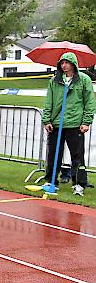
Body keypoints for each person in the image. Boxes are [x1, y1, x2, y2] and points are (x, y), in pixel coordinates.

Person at [42, 52, 96, 196]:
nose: (64, 66)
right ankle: (51, 180)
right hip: (56, 123)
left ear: (73, 64)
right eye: (62, 63)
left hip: (74, 123)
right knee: (53, 154)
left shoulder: (84, 80)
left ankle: (79, 183)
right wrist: (46, 120)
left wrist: (86, 121)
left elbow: (90, 102)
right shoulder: (54, 81)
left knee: (77, 156)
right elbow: (49, 101)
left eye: (67, 63)